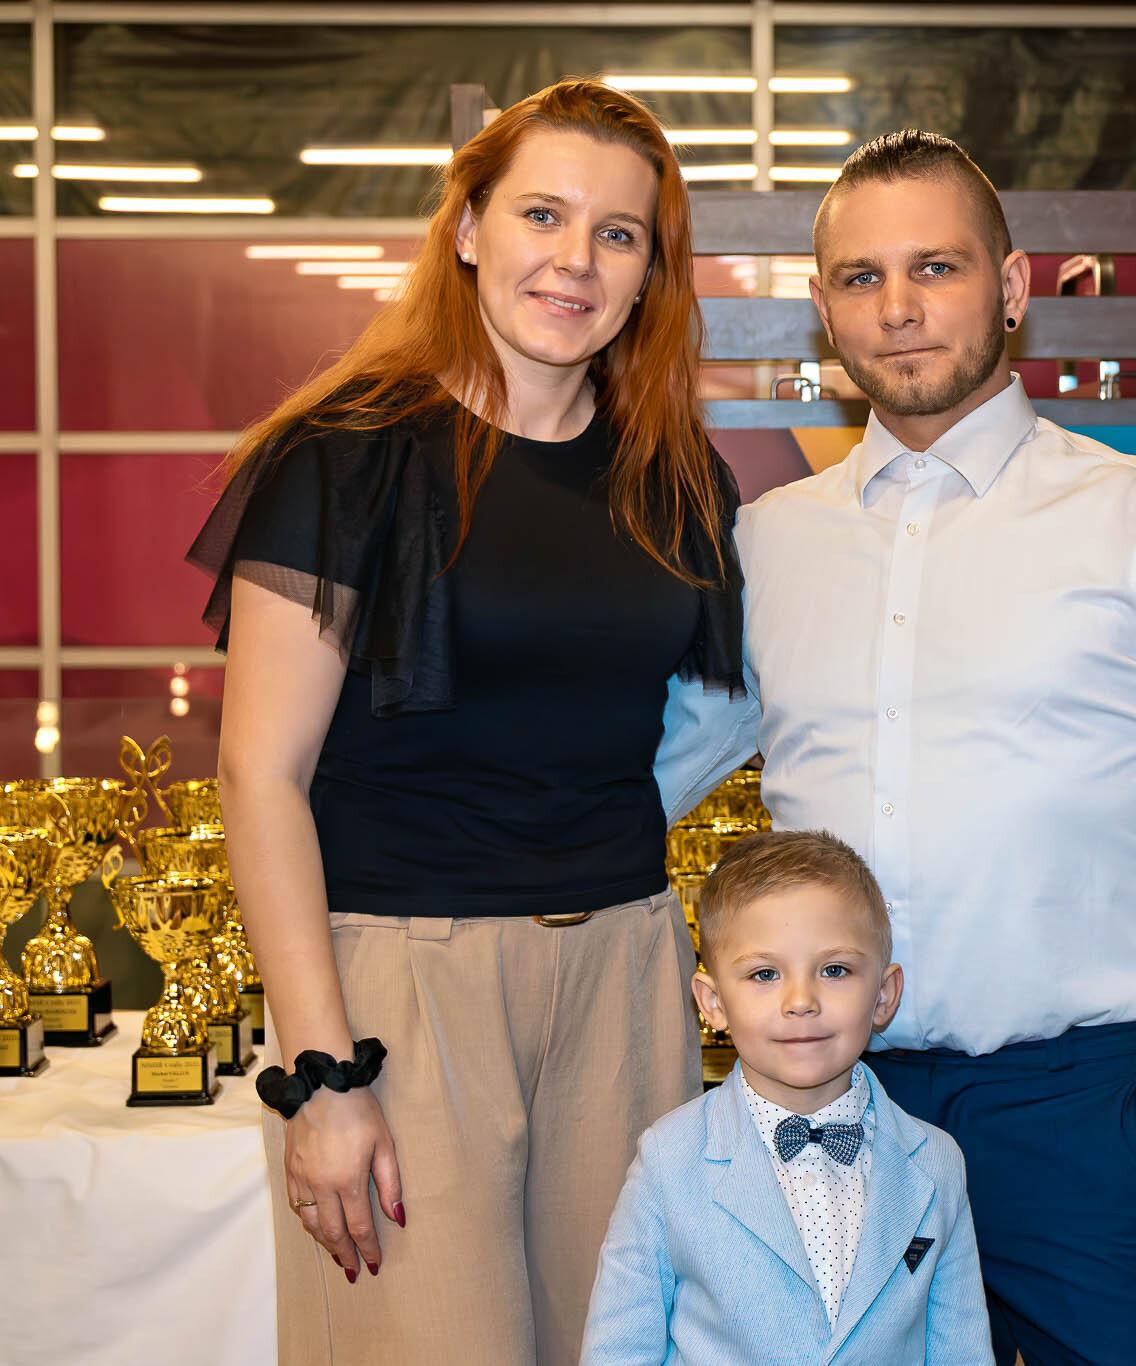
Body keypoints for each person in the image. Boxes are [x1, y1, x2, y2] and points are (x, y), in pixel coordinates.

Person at [664, 130, 1136, 1365]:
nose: (897, 309)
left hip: (1094, 1119)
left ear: (1009, 287)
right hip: (836, 1108)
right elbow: (636, 782)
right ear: (824, 310)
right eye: (860, 277)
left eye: (934, 268)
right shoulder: (767, 549)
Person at [193, 79, 745, 1366]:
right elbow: (258, 775)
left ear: (650, 272)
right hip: (403, 988)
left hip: (623, 980)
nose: (576, 259)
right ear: (466, 228)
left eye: (619, 233)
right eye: (542, 214)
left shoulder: (676, 477)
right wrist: (321, 1076)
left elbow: (701, 723)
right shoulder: (346, 456)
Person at [582, 829, 994, 1365]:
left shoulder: (937, 1161)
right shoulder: (668, 1158)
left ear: (884, 995)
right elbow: (618, 1351)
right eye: (765, 974)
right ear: (713, 1002)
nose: (801, 1000)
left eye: (834, 970)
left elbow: (961, 1350)